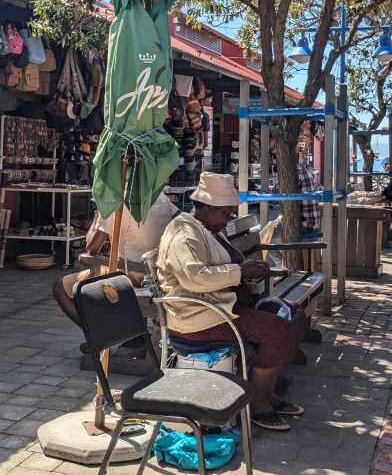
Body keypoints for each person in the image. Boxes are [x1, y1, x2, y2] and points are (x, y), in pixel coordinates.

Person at [157, 172, 307, 432]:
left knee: (294, 314)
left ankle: (267, 391)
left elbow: (223, 265)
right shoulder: (184, 232)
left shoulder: (208, 227)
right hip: (199, 318)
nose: (229, 218)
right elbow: (195, 278)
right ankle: (258, 403)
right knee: (276, 330)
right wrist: (241, 271)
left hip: (223, 306)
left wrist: (248, 270)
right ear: (208, 207)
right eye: (226, 213)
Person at [86, 193, 179, 282]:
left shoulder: (113, 201)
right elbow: (182, 218)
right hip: (164, 273)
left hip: (136, 274)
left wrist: (97, 215)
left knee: (79, 279)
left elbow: (92, 248)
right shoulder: (160, 195)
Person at [295, 161, 321, 235]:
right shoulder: (301, 167)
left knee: (271, 233)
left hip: (305, 223)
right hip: (311, 221)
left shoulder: (295, 171)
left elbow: (286, 193)